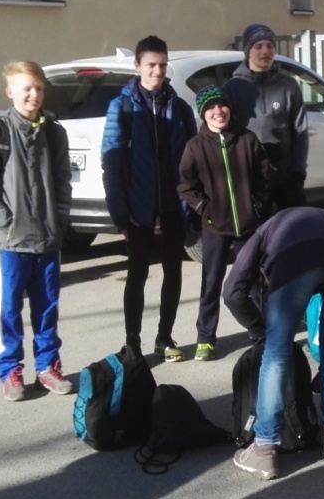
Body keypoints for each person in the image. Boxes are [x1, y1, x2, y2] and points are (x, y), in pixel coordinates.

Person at [223, 207, 324, 480]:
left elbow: (232, 292)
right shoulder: (284, 223)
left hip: (297, 256)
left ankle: (264, 448)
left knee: (275, 354)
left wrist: (261, 329)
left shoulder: (259, 237)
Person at [0, 61, 73, 402]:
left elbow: (62, 181)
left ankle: (47, 367)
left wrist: (59, 220)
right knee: (9, 310)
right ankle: (10, 370)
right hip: (9, 242)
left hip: (47, 238)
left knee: (47, 309)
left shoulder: (54, 132)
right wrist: (7, 222)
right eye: (26, 88)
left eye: (39, 88)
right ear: (10, 91)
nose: (33, 94)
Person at [102, 35, 197, 360]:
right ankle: (133, 342)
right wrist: (119, 211)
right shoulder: (123, 107)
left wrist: (193, 206)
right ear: (138, 66)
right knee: (138, 275)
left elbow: (192, 161)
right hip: (138, 207)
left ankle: (165, 338)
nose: (157, 71)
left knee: (173, 271)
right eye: (151, 65)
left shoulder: (180, 108)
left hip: (174, 206)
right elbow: (112, 162)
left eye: (161, 64)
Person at [178, 85, 271, 361]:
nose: (218, 112)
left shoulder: (247, 139)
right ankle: (205, 338)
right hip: (214, 227)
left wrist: (256, 205)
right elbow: (185, 185)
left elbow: (265, 178)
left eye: (222, 106)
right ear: (203, 114)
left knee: (253, 280)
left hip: (247, 225)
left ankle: (263, 330)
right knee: (211, 282)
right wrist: (205, 209)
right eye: (211, 108)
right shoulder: (195, 147)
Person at [223, 24, 307, 212]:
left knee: (295, 234)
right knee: (256, 238)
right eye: (258, 46)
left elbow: (300, 132)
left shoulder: (288, 86)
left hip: (286, 179)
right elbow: (226, 135)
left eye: (269, 45)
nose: (265, 51)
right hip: (250, 180)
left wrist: (298, 174)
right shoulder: (232, 88)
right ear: (247, 52)